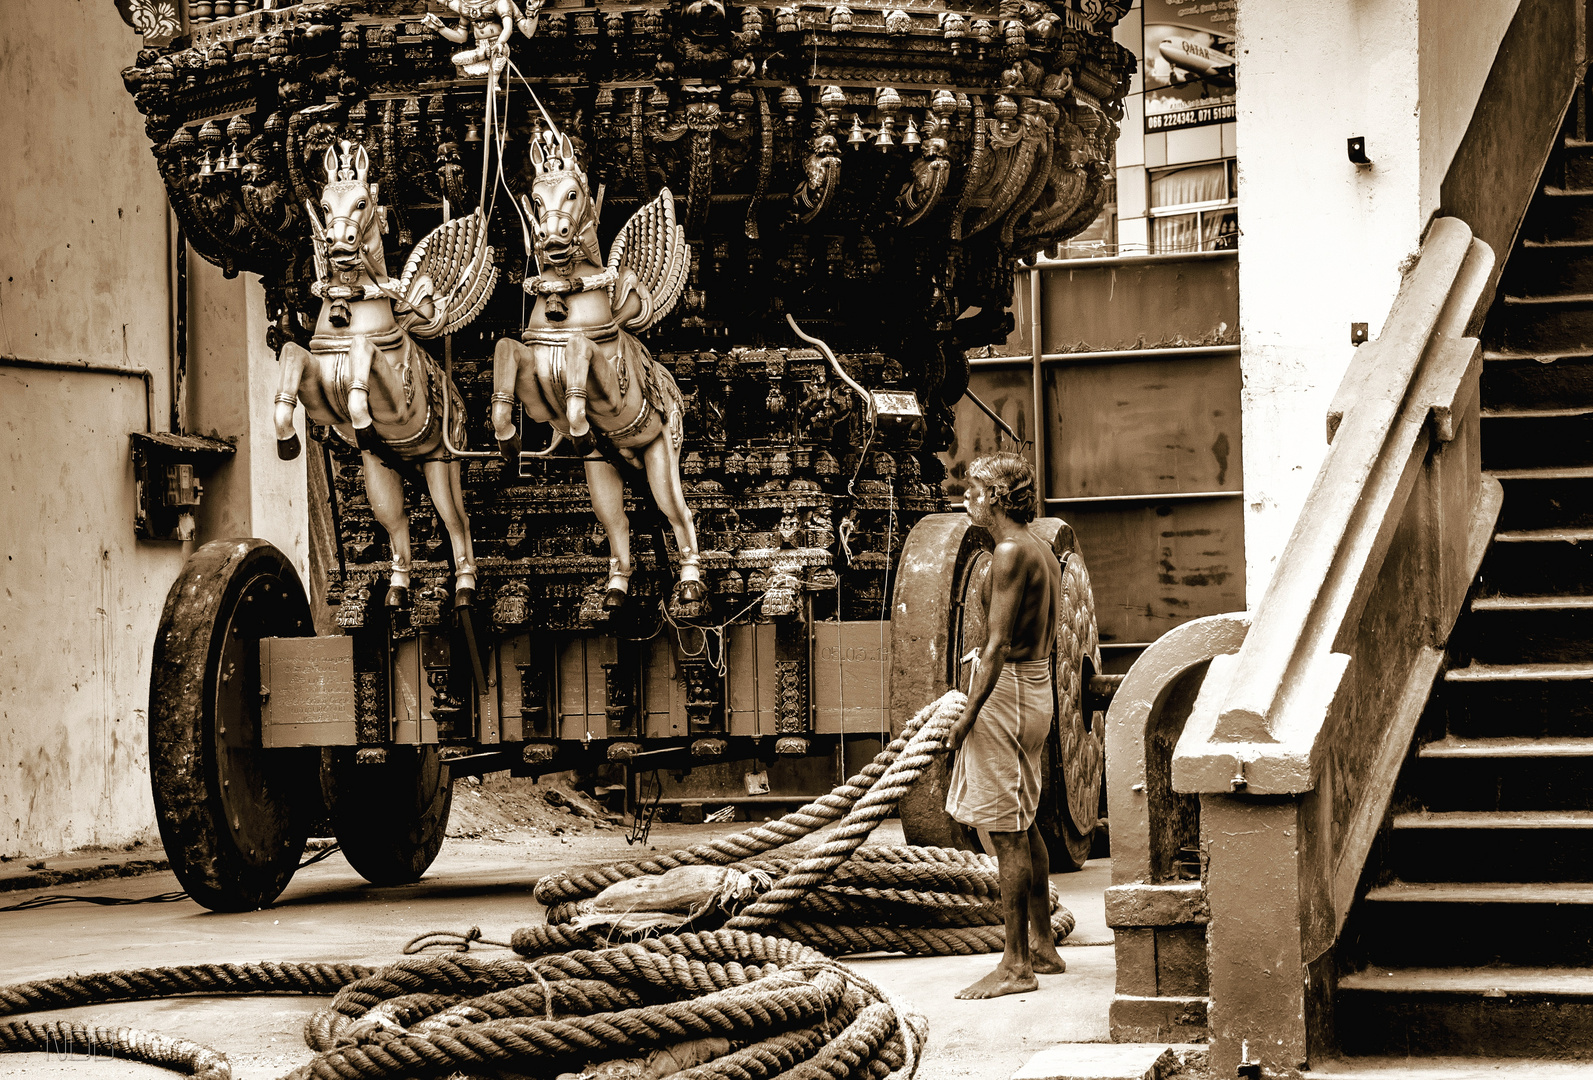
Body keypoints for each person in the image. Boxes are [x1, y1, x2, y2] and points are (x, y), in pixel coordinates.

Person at [941, 452, 1067, 999]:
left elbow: (994, 648)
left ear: (995, 496)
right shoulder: (1041, 546)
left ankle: (1016, 966)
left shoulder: (1012, 551)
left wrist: (966, 717)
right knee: (1026, 820)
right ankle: (1042, 943)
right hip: (1031, 688)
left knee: (1007, 833)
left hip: (1009, 692)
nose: (965, 497)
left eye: (973, 489)